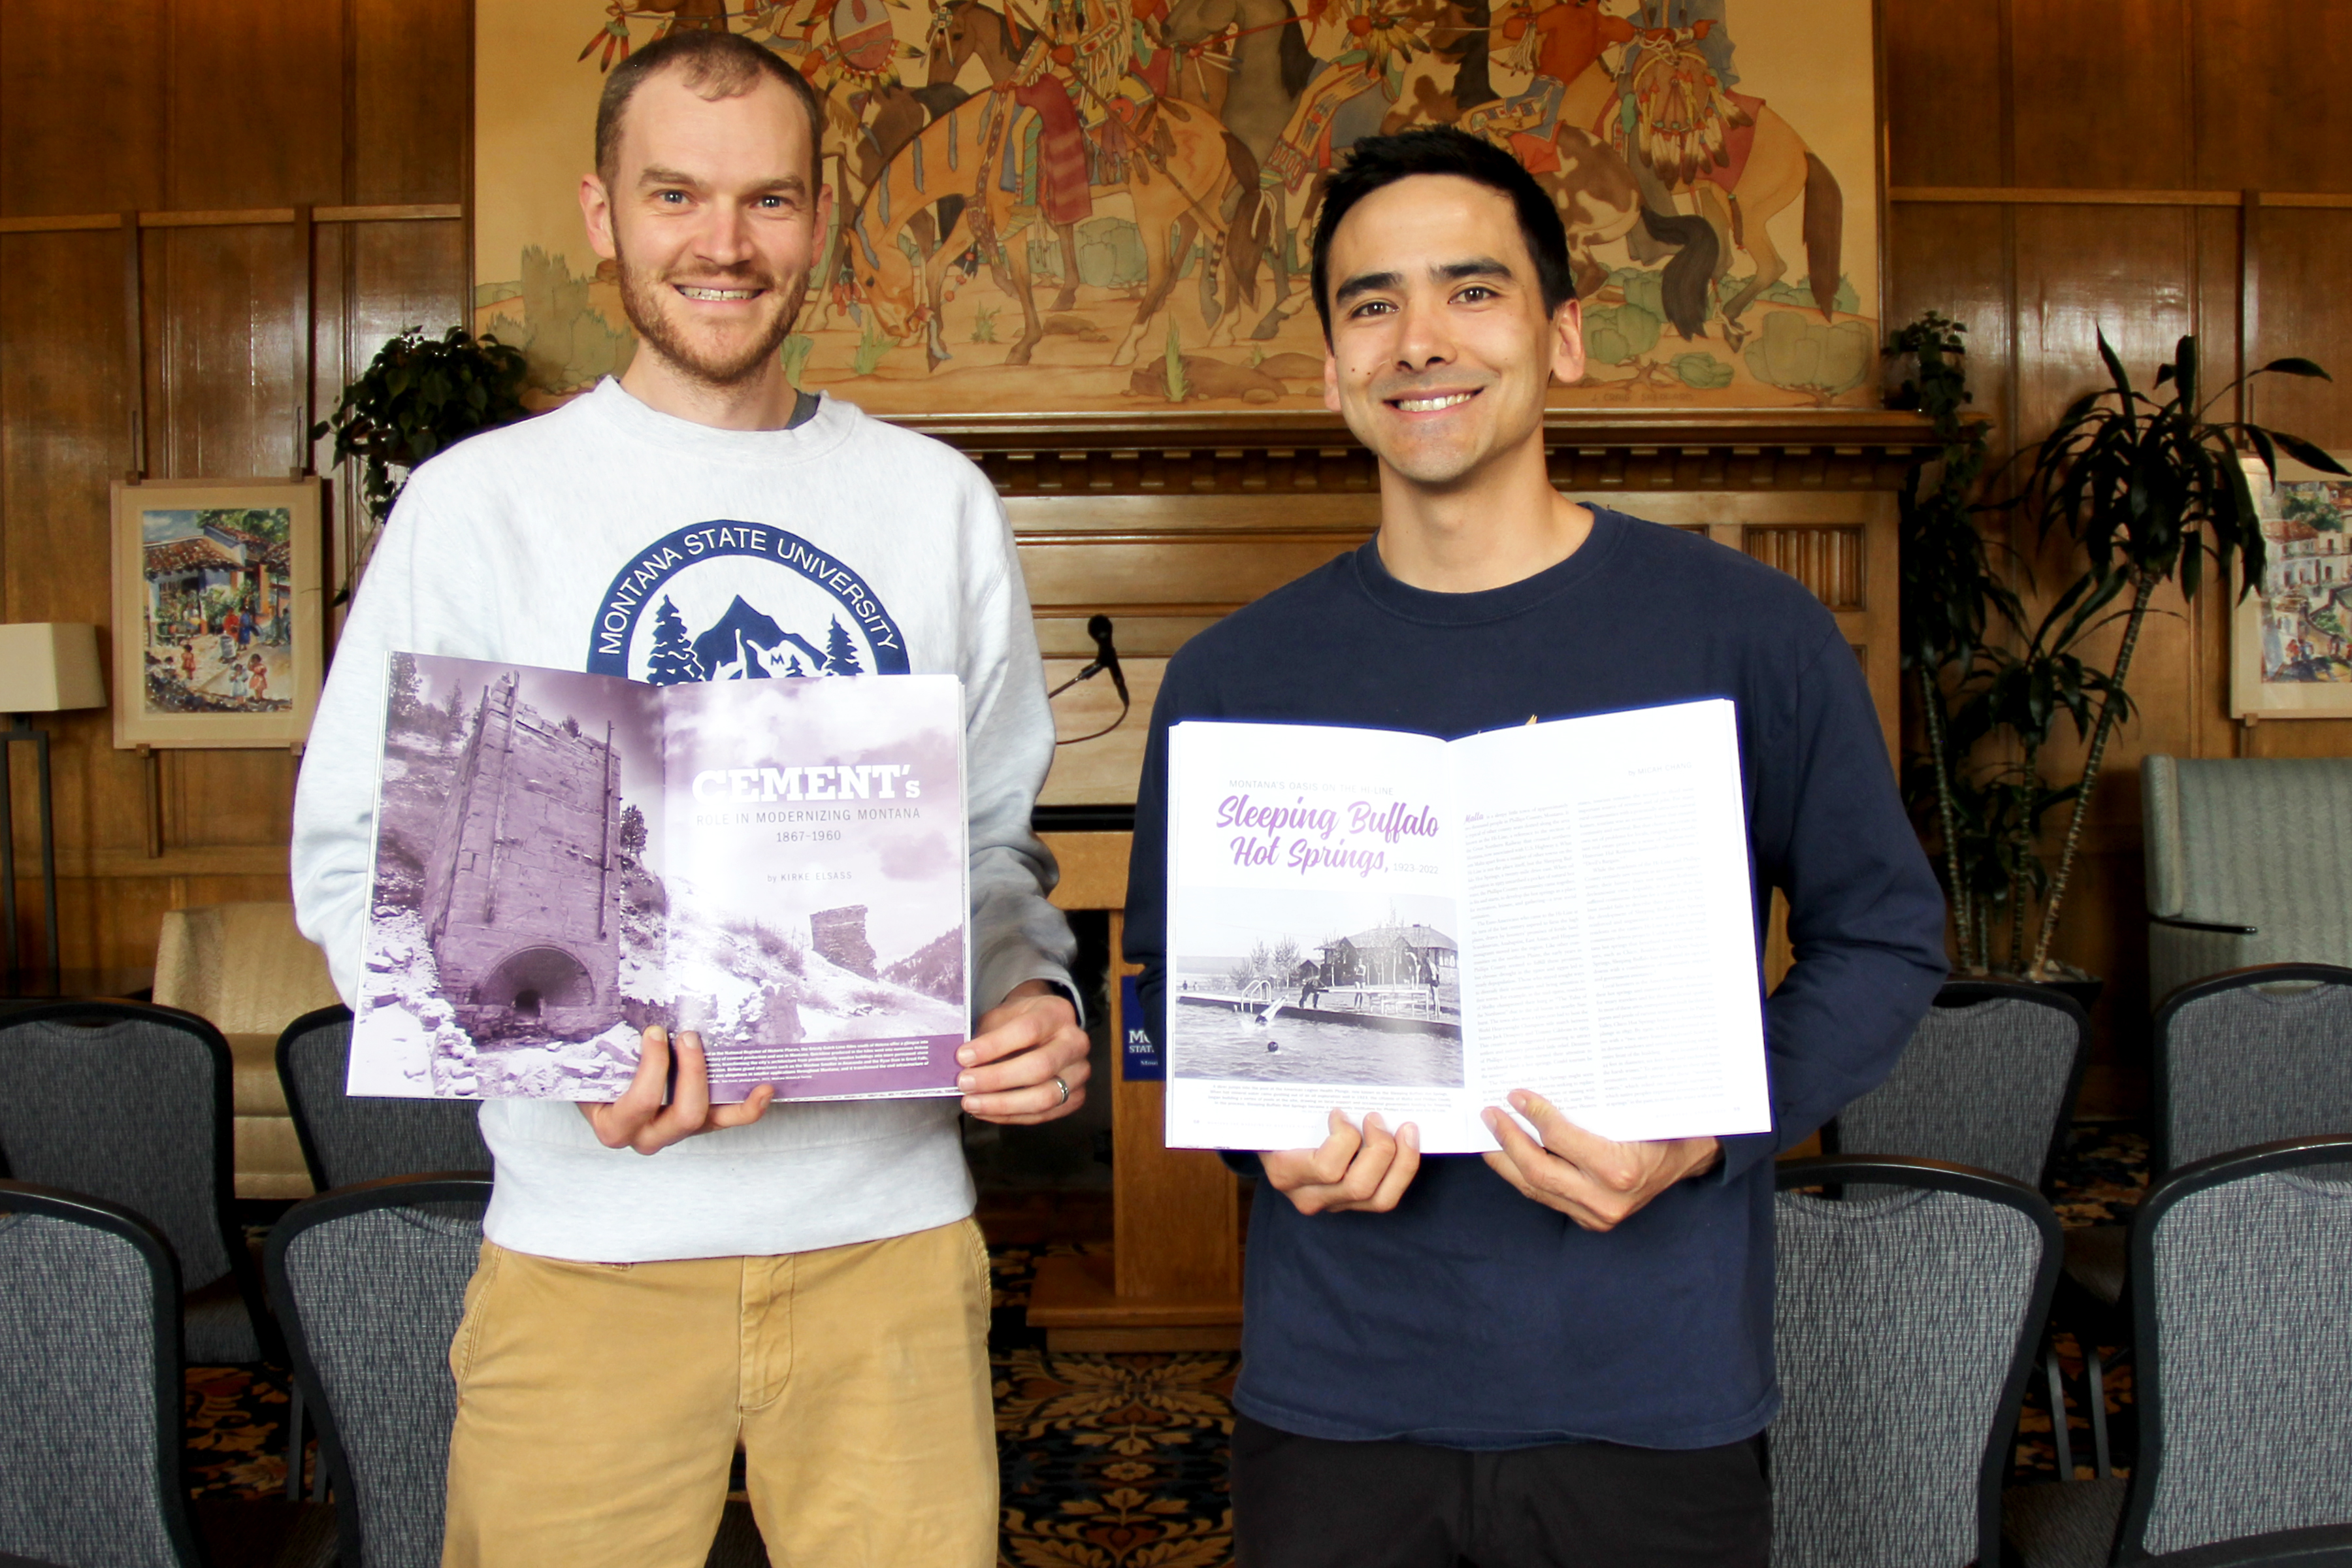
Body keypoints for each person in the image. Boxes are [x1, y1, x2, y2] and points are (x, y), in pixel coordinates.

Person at [290, 30, 1090, 1568]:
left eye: (769, 201)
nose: (724, 243)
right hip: (587, 1249)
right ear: (604, 213)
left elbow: (991, 847)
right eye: (676, 193)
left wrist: (1031, 990)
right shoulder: (480, 504)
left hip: (892, 1254)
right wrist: (549, 1054)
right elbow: (355, 864)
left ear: (819, 219)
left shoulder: (936, 504)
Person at [1123, 127, 1947, 1567]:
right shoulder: (1232, 678)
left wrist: (1704, 1130)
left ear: (1562, 336)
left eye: (1472, 291)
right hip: (1339, 1404)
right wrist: (1263, 1143)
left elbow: (1883, 942)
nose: (1418, 339)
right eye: (1370, 304)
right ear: (1330, 365)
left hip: (1649, 1394)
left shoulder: (1748, 634)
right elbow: (1161, 994)